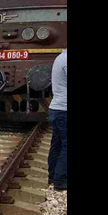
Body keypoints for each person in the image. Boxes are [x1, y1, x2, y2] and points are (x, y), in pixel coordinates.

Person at [48, 49, 67, 191]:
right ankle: (60, 181)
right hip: (64, 109)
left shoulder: (59, 57)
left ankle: (52, 177)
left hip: (56, 108)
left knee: (57, 144)